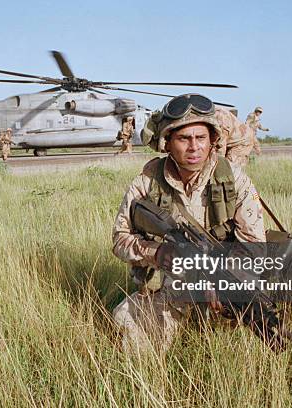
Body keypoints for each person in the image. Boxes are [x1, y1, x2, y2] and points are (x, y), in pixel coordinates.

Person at [112, 93, 266, 352]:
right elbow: (119, 239)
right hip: (173, 284)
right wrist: (158, 252)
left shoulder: (234, 180)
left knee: (253, 318)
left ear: (213, 140)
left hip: (224, 280)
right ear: (168, 142)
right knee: (128, 326)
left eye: (201, 138)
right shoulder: (148, 181)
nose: (194, 147)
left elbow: (255, 247)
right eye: (184, 138)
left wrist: (225, 282)